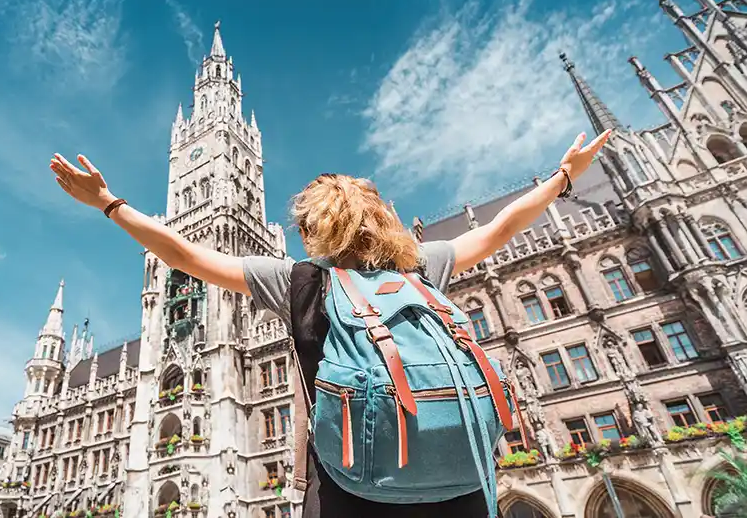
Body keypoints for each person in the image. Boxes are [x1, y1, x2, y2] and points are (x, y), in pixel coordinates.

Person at [49, 129, 610, 518]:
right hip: (455, 482)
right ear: (383, 220)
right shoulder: (420, 265)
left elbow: (184, 256)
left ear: (311, 228)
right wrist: (563, 177)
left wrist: (108, 203)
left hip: (351, 485)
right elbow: (501, 228)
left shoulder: (298, 281)